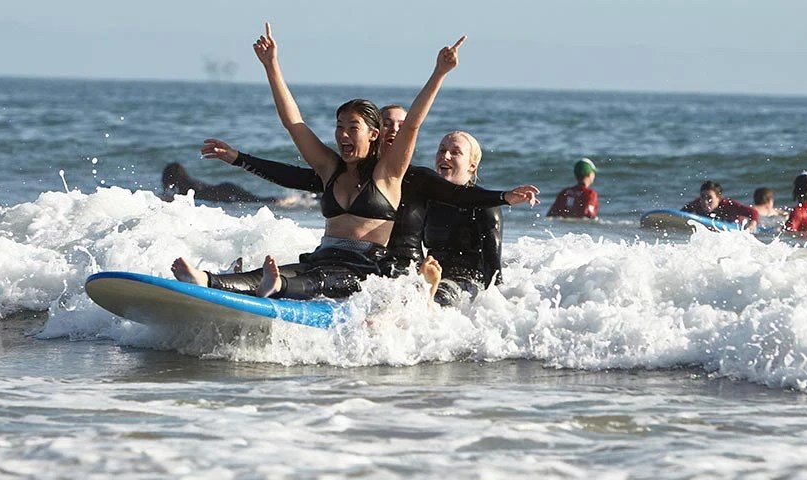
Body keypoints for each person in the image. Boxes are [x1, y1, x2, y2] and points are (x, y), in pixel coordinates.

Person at [172, 23, 466, 300]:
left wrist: (440, 72)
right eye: (339, 127)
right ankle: (207, 280)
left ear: (373, 134)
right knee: (271, 273)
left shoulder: (388, 173)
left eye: (353, 128)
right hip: (323, 255)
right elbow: (294, 123)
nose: (343, 135)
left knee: (314, 280)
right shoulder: (330, 169)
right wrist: (271, 65)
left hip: (363, 269)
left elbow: (412, 123)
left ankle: (277, 286)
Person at [188, 108, 539, 295]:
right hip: (375, 267)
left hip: (403, 273)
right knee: (311, 270)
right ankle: (232, 284)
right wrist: (240, 159)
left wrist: (505, 197)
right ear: (377, 134)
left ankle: (426, 296)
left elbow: (468, 198)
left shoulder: (420, 180)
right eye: (387, 125)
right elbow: (294, 176)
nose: (394, 132)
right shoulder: (356, 178)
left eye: (401, 127)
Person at [422, 131, 510, 306]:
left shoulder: (485, 205)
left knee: (434, 299)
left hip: (466, 283)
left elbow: (493, 268)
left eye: (455, 152)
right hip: (431, 277)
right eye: (441, 150)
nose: (445, 156)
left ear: (472, 165)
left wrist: (498, 308)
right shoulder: (426, 200)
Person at [161, 162, 277, 203]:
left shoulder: (185, 186)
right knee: (255, 199)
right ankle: (279, 201)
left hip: (223, 191)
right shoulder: (189, 182)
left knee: (254, 200)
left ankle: (278, 201)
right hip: (225, 187)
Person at [681, 180, 759, 232]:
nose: (705, 201)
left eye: (709, 198)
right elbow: (681, 214)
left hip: (734, 225)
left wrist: (752, 225)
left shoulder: (728, 205)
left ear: (719, 198)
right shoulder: (697, 203)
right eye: (702, 196)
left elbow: (753, 212)